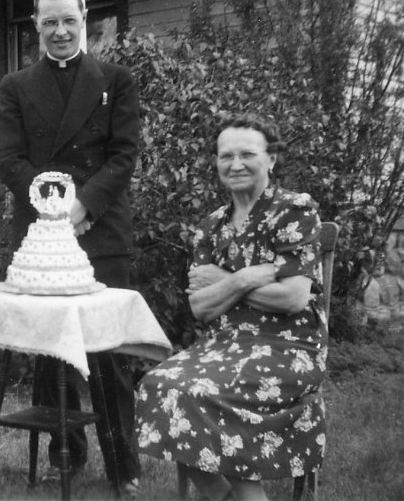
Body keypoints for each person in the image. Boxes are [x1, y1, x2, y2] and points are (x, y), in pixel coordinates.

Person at [0, 0, 141, 497]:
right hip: (40, 234)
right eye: (49, 22)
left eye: (69, 21)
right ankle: (63, 457)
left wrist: (81, 207)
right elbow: (11, 161)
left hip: (101, 231)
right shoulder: (15, 85)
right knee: (50, 356)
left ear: (85, 20)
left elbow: (123, 155)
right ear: (35, 25)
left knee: (110, 355)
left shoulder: (116, 80)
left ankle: (125, 467)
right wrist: (52, 212)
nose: (60, 31)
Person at [136, 114, 326, 501]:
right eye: (226, 156)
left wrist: (223, 281)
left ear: (271, 159)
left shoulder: (294, 210)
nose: (235, 164)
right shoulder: (211, 225)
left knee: (197, 391)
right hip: (222, 345)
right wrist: (245, 277)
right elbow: (200, 308)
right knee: (158, 384)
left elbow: (293, 298)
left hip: (288, 349)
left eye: (246, 154)